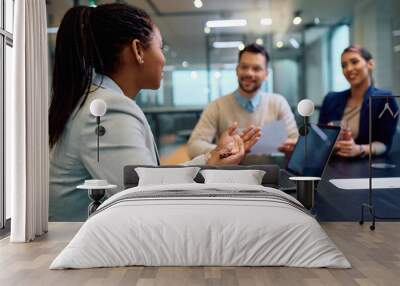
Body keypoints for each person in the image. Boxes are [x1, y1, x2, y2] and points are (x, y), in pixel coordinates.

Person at [49, 4, 260, 221]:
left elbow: (151, 181)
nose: (163, 59)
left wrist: (211, 159)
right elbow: (150, 197)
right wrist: (211, 167)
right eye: (161, 47)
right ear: (138, 50)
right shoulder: (109, 108)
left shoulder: (97, 99)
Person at [187, 43, 299, 159]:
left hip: (272, 174)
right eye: (244, 67)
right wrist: (224, 150)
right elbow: (193, 146)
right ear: (237, 70)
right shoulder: (217, 106)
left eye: (256, 68)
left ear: (266, 74)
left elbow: (296, 142)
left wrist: (292, 148)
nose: (249, 73)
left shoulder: (278, 103)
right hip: (230, 176)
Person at [319, 45, 399, 157]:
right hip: (333, 164)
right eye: (344, 65)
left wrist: (359, 149)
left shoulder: (384, 99)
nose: (349, 69)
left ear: (370, 64)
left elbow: (384, 144)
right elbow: (320, 139)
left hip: (367, 167)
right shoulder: (331, 99)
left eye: (354, 62)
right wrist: (330, 143)